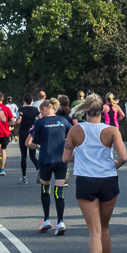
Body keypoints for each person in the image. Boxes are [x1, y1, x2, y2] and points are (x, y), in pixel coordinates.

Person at [63, 94, 127, 253]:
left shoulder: (75, 130)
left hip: (85, 181)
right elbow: (124, 157)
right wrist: (112, 166)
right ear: (104, 111)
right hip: (107, 180)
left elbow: (66, 158)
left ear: (84, 111)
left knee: (94, 230)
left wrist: (81, 157)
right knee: (106, 228)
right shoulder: (111, 131)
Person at [28, 98, 73, 234]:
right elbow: (72, 137)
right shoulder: (64, 121)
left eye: (41, 111)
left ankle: (46, 219)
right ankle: (60, 222)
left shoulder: (40, 122)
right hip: (61, 160)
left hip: (45, 159)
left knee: (45, 189)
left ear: (44, 109)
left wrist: (38, 146)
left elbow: (27, 142)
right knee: (59, 192)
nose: (40, 114)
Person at [16, 94, 40, 184]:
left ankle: (24, 177)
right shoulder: (35, 110)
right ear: (32, 100)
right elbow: (40, 118)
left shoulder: (22, 110)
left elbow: (19, 121)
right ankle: (39, 169)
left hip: (23, 133)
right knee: (33, 156)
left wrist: (15, 122)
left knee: (24, 156)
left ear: (24, 101)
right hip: (32, 134)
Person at [0, 91, 13, 177]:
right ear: (3, 98)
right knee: (4, 150)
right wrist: (8, 125)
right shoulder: (6, 108)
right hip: (5, 132)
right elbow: (12, 120)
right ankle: (2, 169)